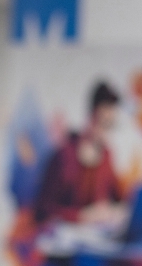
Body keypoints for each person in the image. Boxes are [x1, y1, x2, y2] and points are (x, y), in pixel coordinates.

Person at [33, 80, 123, 220]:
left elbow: (119, 198)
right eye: (104, 123)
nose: (107, 132)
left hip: (98, 234)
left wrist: (115, 211)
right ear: (91, 117)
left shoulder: (106, 155)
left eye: (111, 125)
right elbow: (42, 209)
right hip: (65, 236)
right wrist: (80, 216)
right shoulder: (64, 155)